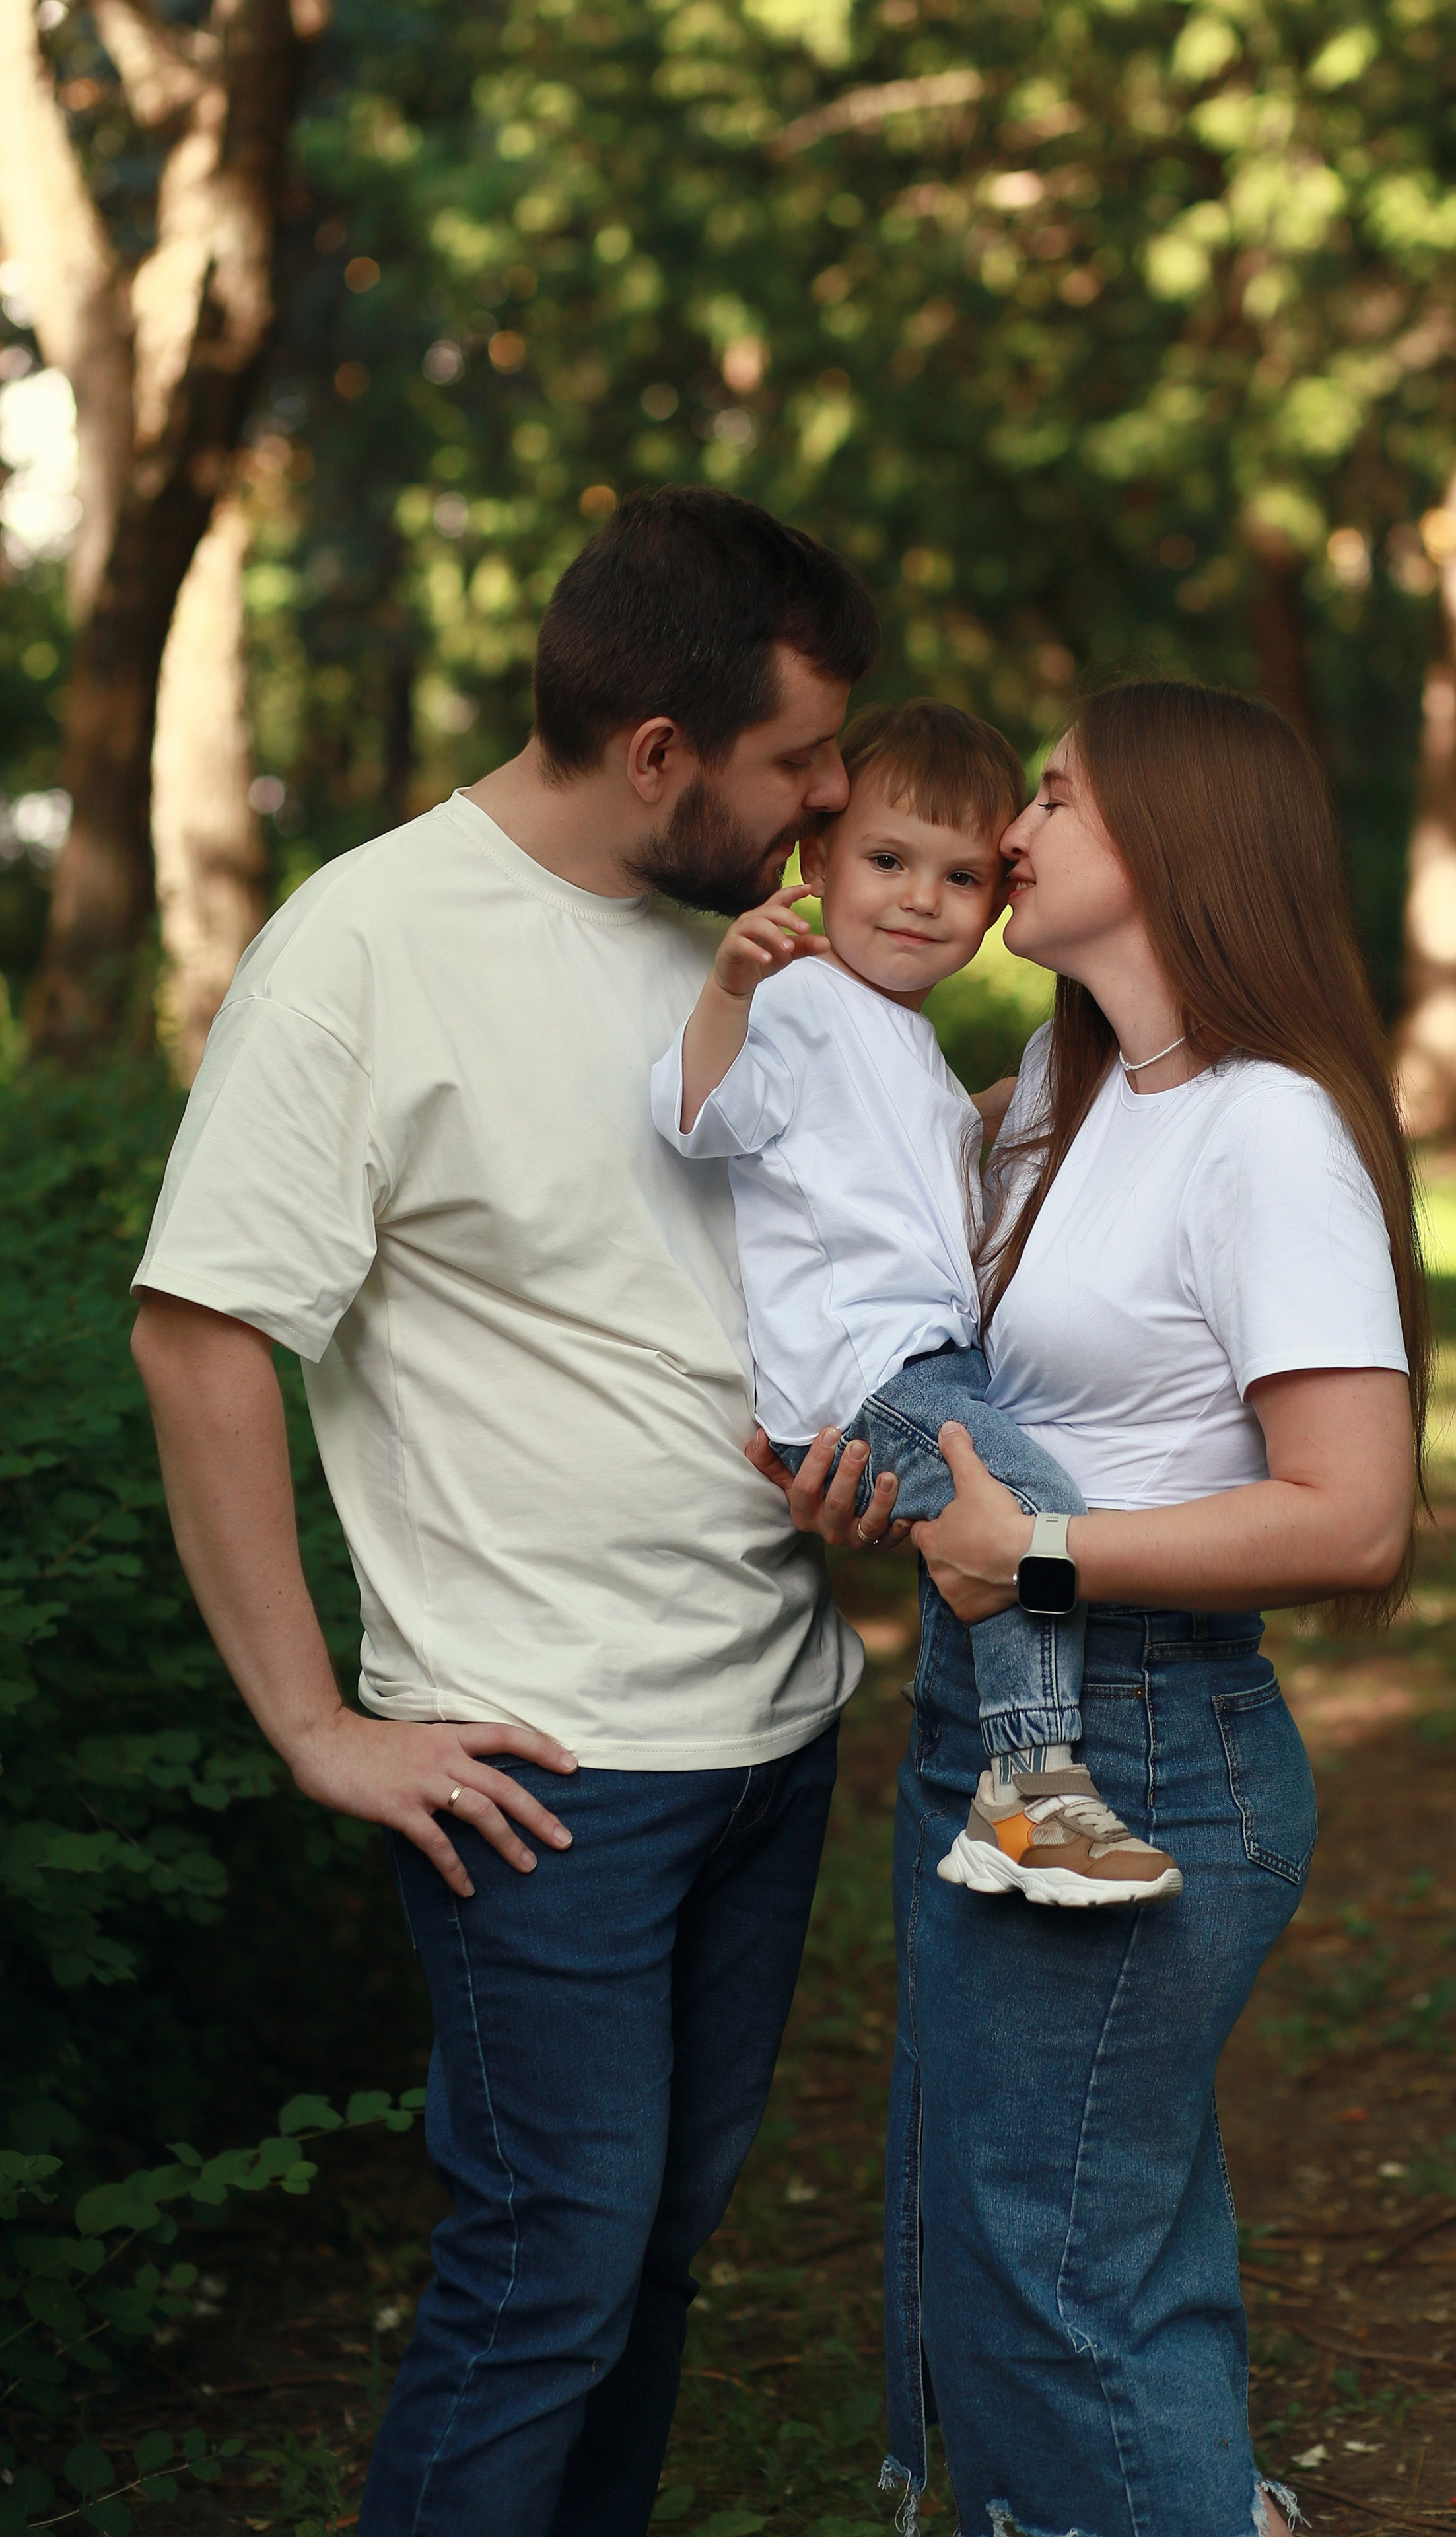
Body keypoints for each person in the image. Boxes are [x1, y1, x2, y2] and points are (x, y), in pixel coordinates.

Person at [129, 486, 880, 2537]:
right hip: (544, 1762)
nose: (833, 799)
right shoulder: (368, 945)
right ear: (660, 752)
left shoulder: (752, 954)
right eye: (801, 759)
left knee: (648, 2262)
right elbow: (203, 1333)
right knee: (545, 2273)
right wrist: (312, 1722)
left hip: (772, 1728)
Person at [754, 680, 1429, 2537]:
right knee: (1055, 2231)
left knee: (1052, 2271)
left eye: (1053, 796)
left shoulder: (1265, 1131)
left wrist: (1038, 1556)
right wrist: (868, 1472)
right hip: (993, 1714)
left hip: (1142, 1742)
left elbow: (1355, 1516)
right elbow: (887, 1288)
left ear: (1173, 845)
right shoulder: (1057, 1089)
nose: (1010, 835)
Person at [654, 699, 1181, 1906]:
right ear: (816, 862)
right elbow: (703, 1118)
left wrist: (995, 1111)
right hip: (864, 1377)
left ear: (993, 911)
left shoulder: (902, 1038)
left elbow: (918, 1174)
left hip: (918, 1367)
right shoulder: (796, 1000)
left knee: (1021, 1507)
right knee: (1034, 1506)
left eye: (958, 877)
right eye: (887, 861)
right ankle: (1031, 1795)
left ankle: (1016, 1784)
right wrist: (729, 992)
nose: (917, 898)